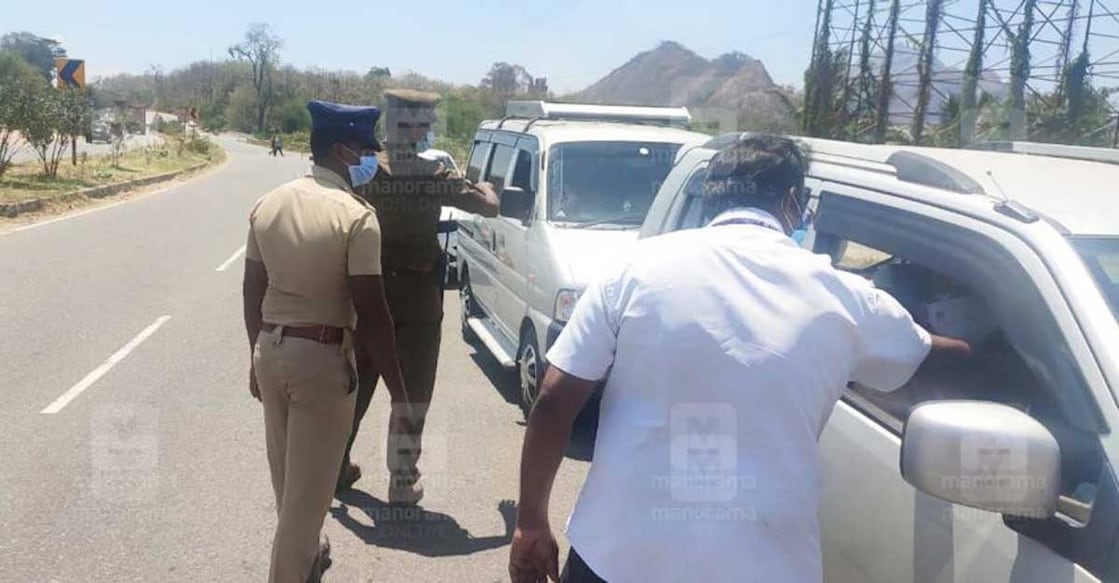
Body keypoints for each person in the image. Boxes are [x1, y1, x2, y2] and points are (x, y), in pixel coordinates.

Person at [508, 135, 973, 583]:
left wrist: (531, 524)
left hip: (618, 553)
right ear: (794, 200)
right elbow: (929, 356)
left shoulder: (633, 270)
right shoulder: (846, 295)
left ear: (712, 199)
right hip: (764, 562)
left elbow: (553, 402)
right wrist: (996, 352)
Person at [243, 100, 410, 583]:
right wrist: (400, 394)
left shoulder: (269, 203)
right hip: (321, 363)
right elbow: (375, 315)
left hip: (271, 353)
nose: (370, 161)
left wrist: (255, 356)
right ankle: (296, 566)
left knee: (289, 485)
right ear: (341, 150)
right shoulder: (356, 218)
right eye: (364, 151)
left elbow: (253, 289)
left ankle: (310, 555)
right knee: (306, 501)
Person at [338, 88, 500, 504]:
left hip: (371, 292)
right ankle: (402, 480)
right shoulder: (433, 176)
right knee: (412, 388)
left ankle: (335, 464)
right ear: (422, 127)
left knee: (360, 379)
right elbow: (488, 208)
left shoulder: (363, 171)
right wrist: (486, 186)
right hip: (419, 298)